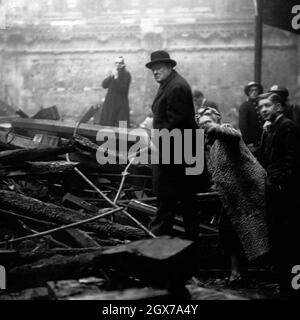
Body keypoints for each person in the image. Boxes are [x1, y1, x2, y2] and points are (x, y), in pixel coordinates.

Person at [197, 107, 271, 285]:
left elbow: (234, 134)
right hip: (234, 198)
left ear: (218, 121)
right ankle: (237, 272)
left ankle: (255, 271)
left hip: (250, 193)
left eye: (207, 123)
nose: (204, 128)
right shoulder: (212, 145)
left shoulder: (226, 132)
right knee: (229, 232)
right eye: (200, 125)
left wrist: (213, 127)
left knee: (256, 232)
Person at [145, 50, 200, 240]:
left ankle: (155, 253)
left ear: (169, 67)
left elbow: (177, 125)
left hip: (176, 157)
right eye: (152, 68)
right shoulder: (170, 84)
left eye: (158, 68)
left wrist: (155, 141)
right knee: (186, 206)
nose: (154, 72)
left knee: (167, 205)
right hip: (177, 155)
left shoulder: (176, 87)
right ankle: (188, 251)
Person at [258, 92, 300, 298]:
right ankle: (285, 285)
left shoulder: (287, 127)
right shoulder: (271, 128)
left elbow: (291, 160)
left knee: (289, 240)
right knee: (279, 239)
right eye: (261, 107)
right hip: (274, 191)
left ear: (278, 107)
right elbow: (266, 158)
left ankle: (292, 286)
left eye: (267, 105)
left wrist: (280, 183)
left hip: (285, 193)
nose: (264, 109)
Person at [99, 56, 131, 127]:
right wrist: (111, 76)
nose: (117, 65)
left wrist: (116, 78)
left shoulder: (127, 74)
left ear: (123, 64)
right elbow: (104, 85)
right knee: (107, 125)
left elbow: (123, 89)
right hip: (110, 104)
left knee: (120, 127)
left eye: (120, 63)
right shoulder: (113, 73)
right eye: (116, 63)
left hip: (121, 105)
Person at [238, 81, 264, 153]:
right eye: (251, 90)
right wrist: (249, 142)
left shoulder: (261, 104)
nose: (254, 92)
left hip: (262, 140)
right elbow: (243, 126)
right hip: (252, 142)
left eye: (256, 90)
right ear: (248, 93)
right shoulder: (245, 106)